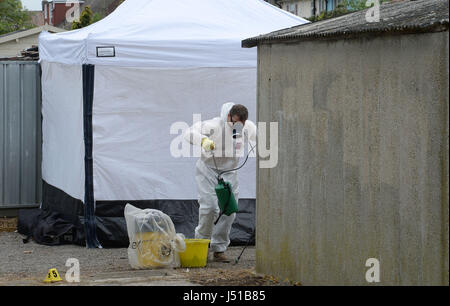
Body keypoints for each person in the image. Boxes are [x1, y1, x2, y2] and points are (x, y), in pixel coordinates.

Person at [184, 102, 257, 262]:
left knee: (229, 210)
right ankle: (201, 245)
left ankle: (219, 249)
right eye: (234, 122)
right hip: (208, 169)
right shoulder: (213, 125)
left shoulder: (247, 127)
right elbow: (189, 132)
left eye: (241, 123)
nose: (237, 126)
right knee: (209, 207)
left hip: (230, 171)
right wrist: (203, 140)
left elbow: (261, 138)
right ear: (228, 116)